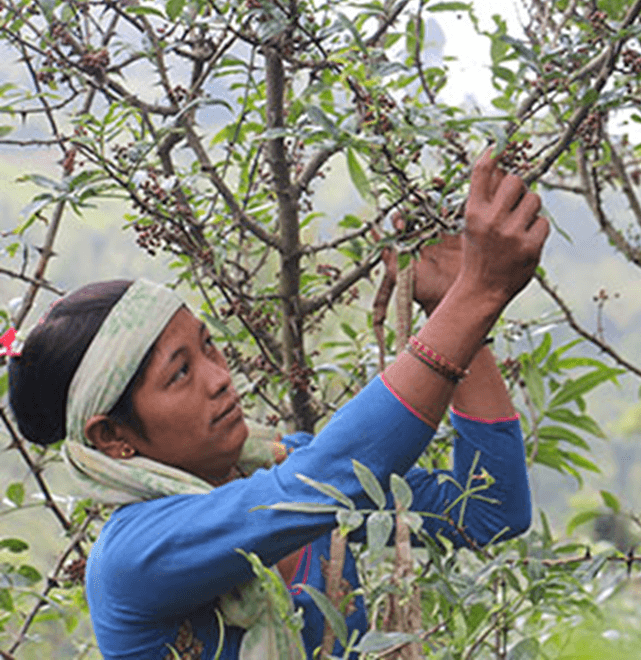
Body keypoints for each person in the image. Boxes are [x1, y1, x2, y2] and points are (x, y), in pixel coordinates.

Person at [8, 150, 549, 659]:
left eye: (208, 346)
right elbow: (321, 486)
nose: (220, 379)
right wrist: (476, 294)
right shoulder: (132, 556)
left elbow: (484, 512)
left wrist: (456, 309)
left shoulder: (280, 461)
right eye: (180, 374)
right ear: (111, 438)